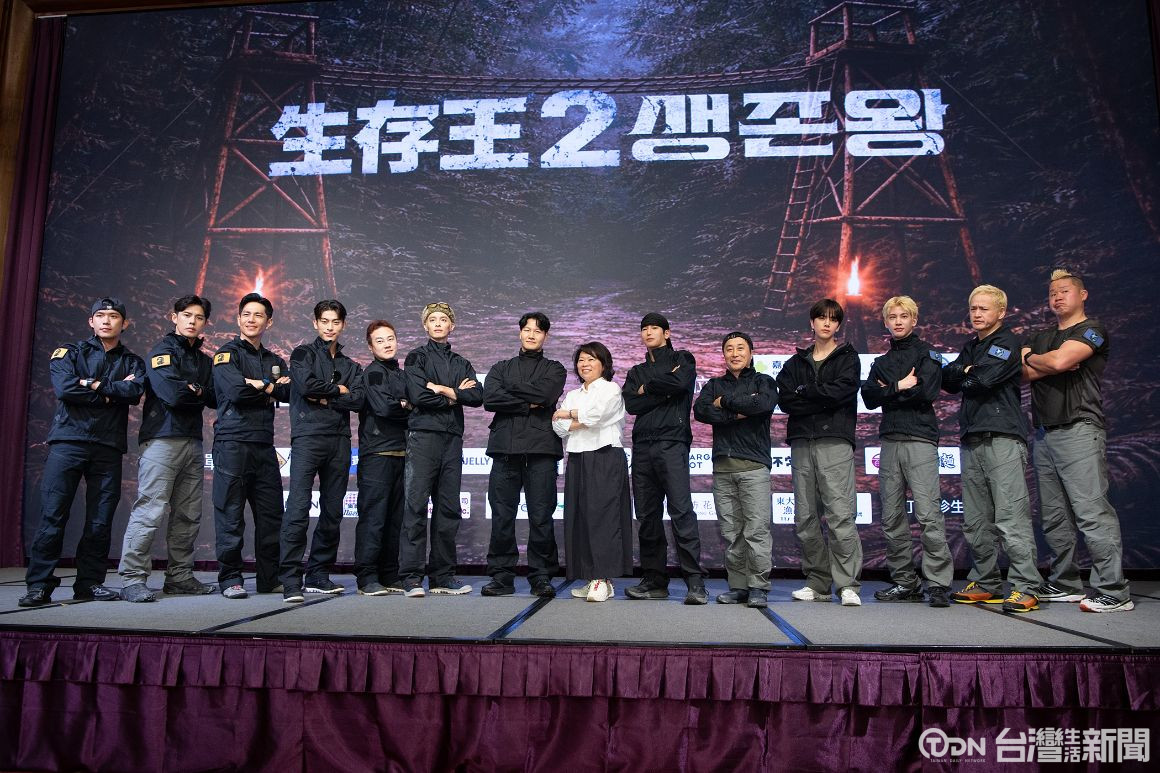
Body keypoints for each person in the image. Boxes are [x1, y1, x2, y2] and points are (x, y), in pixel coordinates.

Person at [20, 297, 146, 607]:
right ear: (91, 321)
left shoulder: (133, 362)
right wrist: (110, 392)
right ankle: (39, 586)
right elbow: (65, 389)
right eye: (100, 315)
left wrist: (90, 384)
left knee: (100, 520)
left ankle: (90, 583)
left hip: (108, 447)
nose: (106, 320)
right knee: (53, 514)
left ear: (125, 323)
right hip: (68, 442)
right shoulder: (70, 352)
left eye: (113, 316)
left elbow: (133, 392)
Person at [1023, 270, 1132, 613]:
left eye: (1064, 291)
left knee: (1091, 511)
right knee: (1054, 515)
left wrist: (1044, 360)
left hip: (1080, 428)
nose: (1057, 297)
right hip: (1045, 433)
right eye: (1052, 293)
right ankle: (1065, 582)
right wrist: (1043, 361)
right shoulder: (1040, 337)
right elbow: (1023, 371)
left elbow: (1058, 360)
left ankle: (1114, 591)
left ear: (1082, 295)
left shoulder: (1091, 330)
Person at [943, 284, 1042, 613]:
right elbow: (947, 380)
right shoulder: (971, 346)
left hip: (1003, 438)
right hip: (972, 438)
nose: (977, 314)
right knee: (976, 520)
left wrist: (967, 372)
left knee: (1011, 517)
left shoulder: (1007, 343)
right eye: (973, 308)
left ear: (1001, 312)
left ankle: (1026, 586)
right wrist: (968, 370)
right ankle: (986, 582)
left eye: (984, 308)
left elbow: (980, 381)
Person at [118, 294, 217, 603]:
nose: (192, 321)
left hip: (193, 441)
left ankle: (180, 577)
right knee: (150, 510)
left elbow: (215, 397)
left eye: (198, 317)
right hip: (161, 439)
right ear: (174, 317)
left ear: (205, 323)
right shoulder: (161, 352)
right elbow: (172, 395)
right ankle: (132, 579)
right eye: (186, 315)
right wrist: (197, 390)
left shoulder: (204, 361)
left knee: (188, 514)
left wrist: (194, 390)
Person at [860, 296, 953, 609]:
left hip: (920, 439)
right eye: (893, 317)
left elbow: (926, 392)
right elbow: (869, 397)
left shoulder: (928, 353)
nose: (898, 321)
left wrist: (888, 391)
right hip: (889, 440)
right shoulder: (881, 362)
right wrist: (899, 386)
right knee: (892, 516)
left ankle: (938, 583)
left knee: (927, 514)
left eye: (904, 316)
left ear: (914, 320)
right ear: (886, 322)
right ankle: (905, 582)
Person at [775, 298, 864, 607]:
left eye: (833, 319)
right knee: (805, 517)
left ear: (838, 325)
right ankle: (817, 582)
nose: (827, 323)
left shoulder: (848, 357)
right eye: (821, 318)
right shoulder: (794, 363)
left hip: (835, 441)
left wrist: (807, 393)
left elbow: (841, 392)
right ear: (811, 322)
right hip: (802, 442)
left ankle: (847, 584)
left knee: (840, 515)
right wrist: (817, 397)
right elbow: (787, 400)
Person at [278, 300, 364, 603]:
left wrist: (327, 396)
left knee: (332, 511)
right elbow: (305, 387)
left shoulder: (351, 365)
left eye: (335, 322)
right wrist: (339, 390)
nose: (330, 327)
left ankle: (318, 575)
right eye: (324, 321)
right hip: (307, 438)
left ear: (343, 325)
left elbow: (358, 400)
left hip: (339, 440)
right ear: (315, 323)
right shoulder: (302, 354)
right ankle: (290, 580)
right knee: (298, 508)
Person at [398, 303, 483, 597]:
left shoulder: (461, 362)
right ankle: (411, 577)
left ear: (451, 326)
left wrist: (444, 390)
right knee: (415, 506)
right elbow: (418, 395)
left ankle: (442, 577)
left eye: (443, 319)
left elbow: (477, 395)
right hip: (423, 437)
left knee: (448, 508)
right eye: (432, 319)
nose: (437, 323)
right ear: (425, 326)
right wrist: (455, 396)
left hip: (452, 439)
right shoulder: (416, 357)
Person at [622, 313, 708, 605]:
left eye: (654, 328)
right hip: (642, 447)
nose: (648, 332)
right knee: (647, 516)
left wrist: (649, 388)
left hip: (672, 443)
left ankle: (695, 582)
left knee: (681, 512)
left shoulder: (683, 358)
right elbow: (632, 404)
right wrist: (664, 388)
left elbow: (681, 383)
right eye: (644, 329)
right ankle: (654, 581)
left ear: (667, 333)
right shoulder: (636, 370)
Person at [210, 292, 291, 600]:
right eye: (247, 314)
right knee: (230, 514)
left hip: (264, 445)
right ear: (238, 319)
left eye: (258, 315)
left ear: (268, 322)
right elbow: (235, 391)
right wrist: (269, 388)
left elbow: (289, 393)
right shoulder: (226, 355)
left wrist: (260, 384)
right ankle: (230, 578)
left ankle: (270, 579)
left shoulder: (275, 360)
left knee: (271, 516)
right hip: (232, 443)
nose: (252, 320)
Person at [481, 312, 567, 598]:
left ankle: (541, 576)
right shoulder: (501, 367)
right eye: (527, 330)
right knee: (501, 515)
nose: (531, 335)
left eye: (538, 331)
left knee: (541, 516)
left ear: (545, 336)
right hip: (504, 450)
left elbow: (545, 396)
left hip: (541, 451)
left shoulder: (555, 369)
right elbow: (490, 399)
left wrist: (513, 392)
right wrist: (527, 402)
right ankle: (501, 577)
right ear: (519, 333)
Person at [693, 331, 778, 608]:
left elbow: (762, 404)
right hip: (723, 469)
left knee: (756, 530)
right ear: (724, 354)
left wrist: (726, 403)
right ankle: (739, 586)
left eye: (741, 348)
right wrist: (739, 411)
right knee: (731, 532)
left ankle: (758, 586)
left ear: (751, 353)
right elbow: (701, 411)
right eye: (729, 349)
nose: (735, 353)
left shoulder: (764, 381)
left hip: (754, 467)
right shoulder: (714, 384)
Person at [553, 342, 633, 602]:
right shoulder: (573, 393)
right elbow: (558, 426)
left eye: (591, 359)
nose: (585, 364)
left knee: (603, 518)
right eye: (581, 360)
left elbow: (597, 416)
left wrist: (570, 415)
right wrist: (577, 418)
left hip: (605, 455)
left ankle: (603, 577)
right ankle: (591, 578)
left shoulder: (611, 389)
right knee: (580, 517)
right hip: (577, 457)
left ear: (603, 364)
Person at [352, 320, 410, 596]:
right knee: (373, 518)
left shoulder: (402, 374)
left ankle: (389, 574)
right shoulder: (373, 373)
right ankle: (367, 577)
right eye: (380, 340)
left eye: (390, 338)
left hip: (403, 454)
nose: (387, 344)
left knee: (395, 519)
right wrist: (406, 405)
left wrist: (408, 404)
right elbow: (385, 408)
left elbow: (416, 405)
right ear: (370, 346)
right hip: (377, 455)